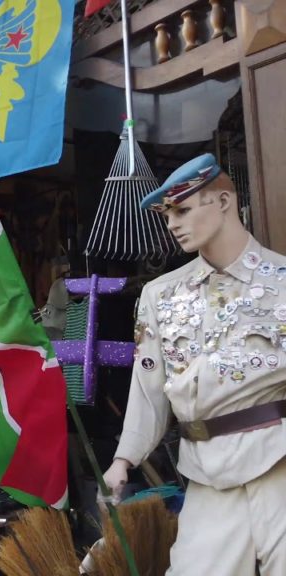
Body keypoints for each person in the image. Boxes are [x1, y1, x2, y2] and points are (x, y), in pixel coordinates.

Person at [102, 153, 286, 574]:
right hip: (205, 470)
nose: (172, 224)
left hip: (279, 457)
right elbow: (148, 387)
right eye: (168, 214)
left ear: (223, 202)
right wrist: (124, 458)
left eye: (183, 209)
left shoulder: (281, 281)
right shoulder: (159, 295)